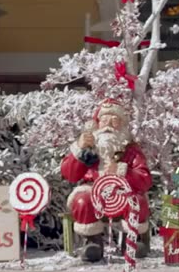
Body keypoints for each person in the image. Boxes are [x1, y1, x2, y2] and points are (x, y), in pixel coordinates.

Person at [61, 100, 154, 262]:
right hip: (93, 192)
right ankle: (92, 242)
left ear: (122, 126)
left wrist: (122, 170)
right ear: (97, 124)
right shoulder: (89, 149)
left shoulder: (130, 150)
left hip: (123, 191)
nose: (108, 125)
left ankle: (131, 240)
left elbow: (145, 179)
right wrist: (79, 149)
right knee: (82, 199)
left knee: (137, 201)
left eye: (114, 121)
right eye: (104, 120)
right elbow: (70, 174)